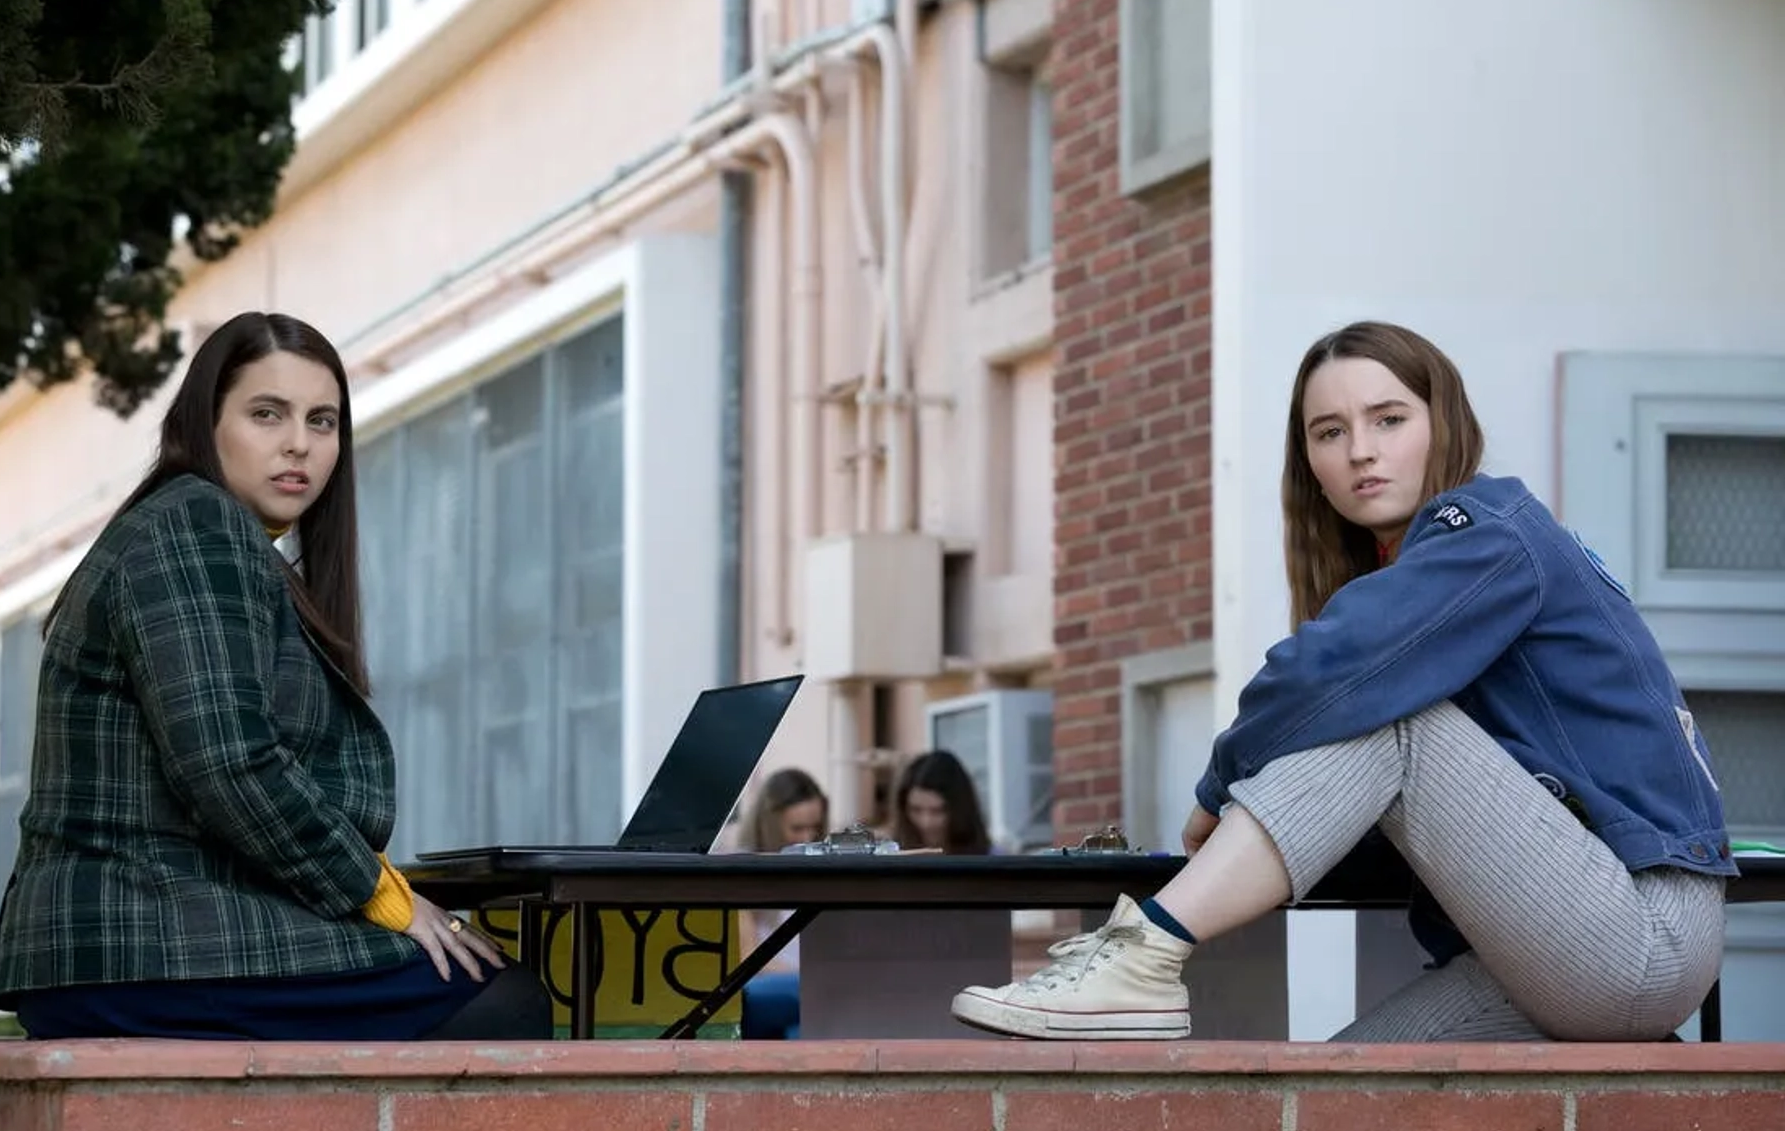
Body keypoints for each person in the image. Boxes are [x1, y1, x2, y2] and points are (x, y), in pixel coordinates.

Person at [952, 320, 1733, 1043]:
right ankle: (1139, 972)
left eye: (1389, 419)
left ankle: (1140, 954)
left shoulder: (1491, 530)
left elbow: (1334, 674)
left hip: (1641, 932)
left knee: (1393, 716)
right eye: (1331, 432)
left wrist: (1220, 783)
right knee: (1330, 1104)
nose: (1361, 449)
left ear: (1443, 424)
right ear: (1311, 466)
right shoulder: (1419, 572)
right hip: (1536, 951)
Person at [0, 311, 553, 1041]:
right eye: (266, 414)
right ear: (206, 422)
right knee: (498, 998)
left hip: (145, 939)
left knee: (476, 976)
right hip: (138, 940)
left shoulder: (219, 538)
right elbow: (229, 763)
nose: (298, 445)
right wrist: (385, 897)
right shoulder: (194, 525)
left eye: (322, 421)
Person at [736, 768, 828, 1040]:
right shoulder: (743, 869)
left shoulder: (825, 868)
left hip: (811, 989)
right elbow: (749, 960)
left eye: (815, 828)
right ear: (770, 824)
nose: (807, 838)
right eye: (797, 828)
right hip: (768, 987)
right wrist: (815, 982)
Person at [892, 750, 992, 855]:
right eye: (915, 810)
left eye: (937, 811)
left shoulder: (994, 860)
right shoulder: (889, 856)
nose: (926, 822)